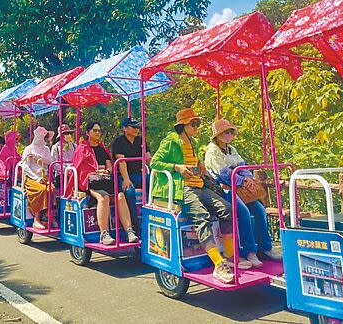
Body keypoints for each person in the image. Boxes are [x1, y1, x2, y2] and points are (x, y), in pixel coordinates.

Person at [150, 108, 235, 284]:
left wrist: (201, 164)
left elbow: (193, 162)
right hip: (182, 188)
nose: (197, 127)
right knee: (201, 217)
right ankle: (219, 265)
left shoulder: (194, 142)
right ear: (182, 126)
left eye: (198, 123)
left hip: (199, 185)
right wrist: (177, 167)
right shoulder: (170, 142)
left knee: (227, 209)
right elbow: (154, 163)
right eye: (193, 124)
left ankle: (229, 256)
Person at [204, 118, 281, 269]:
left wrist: (247, 178)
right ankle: (250, 251)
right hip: (222, 188)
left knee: (259, 209)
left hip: (238, 186)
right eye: (224, 132)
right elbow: (223, 174)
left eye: (230, 132)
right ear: (217, 135)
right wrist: (241, 179)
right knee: (244, 212)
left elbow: (243, 166)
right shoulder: (212, 151)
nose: (228, 135)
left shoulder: (231, 149)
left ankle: (266, 247)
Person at [64, 121, 139, 245]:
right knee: (103, 198)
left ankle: (129, 231)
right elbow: (79, 168)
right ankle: (104, 233)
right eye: (95, 130)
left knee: (120, 196)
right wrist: (95, 171)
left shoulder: (102, 148)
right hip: (90, 182)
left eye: (99, 130)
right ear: (88, 133)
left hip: (105, 180)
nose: (98, 133)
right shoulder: (82, 148)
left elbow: (109, 165)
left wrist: (107, 170)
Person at [111, 117, 148, 231]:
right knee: (129, 191)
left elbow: (148, 156)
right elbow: (121, 162)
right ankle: (134, 224)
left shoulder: (140, 140)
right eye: (133, 127)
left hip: (137, 174)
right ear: (125, 128)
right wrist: (126, 179)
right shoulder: (119, 142)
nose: (136, 129)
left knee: (152, 181)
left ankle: (151, 215)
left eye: (137, 127)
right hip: (123, 175)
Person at [21, 127, 54, 229]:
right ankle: (37, 219)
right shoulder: (28, 149)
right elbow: (25, 166)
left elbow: (50, 161)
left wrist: (39, 158)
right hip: (32, 178)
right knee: (42, 189)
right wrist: (36, 178)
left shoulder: (46, 149)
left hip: (44, 176)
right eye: (45, 137)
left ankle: (48, 217)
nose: (47, 139)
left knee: (51, 189)